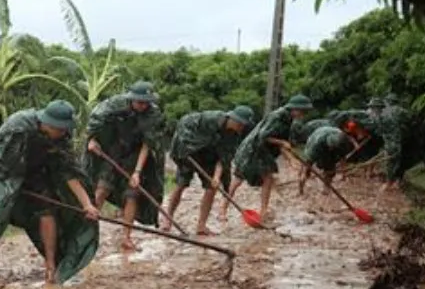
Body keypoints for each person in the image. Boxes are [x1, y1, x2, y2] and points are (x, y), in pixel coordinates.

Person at [0, 100, 101, 285]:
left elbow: (69, 172)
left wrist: (86, 204)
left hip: (36, 175)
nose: (65, 132)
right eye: (62, 128)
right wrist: (14, 184)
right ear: (50, 123)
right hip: (4, 176)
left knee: (47, 211)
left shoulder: (62, 138)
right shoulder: (18, 125)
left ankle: (51, 264)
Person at [82, 81, 165, 251]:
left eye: (146, 102)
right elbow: (94, 124)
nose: (143, 106)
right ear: (131, 99)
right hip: (112, 148)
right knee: (102, 189)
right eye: (139, 102)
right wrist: (92, 140)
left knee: (132, 194)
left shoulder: (153, 114)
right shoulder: (114, 105)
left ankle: (126, 237)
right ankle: (85, 234)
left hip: (135, 153)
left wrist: (137, 172)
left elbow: (147, 145)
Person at [163, 105, 254, 236]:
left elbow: (224, 158)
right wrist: (185, 144)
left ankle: (201, 225)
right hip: (190, 152)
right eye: (240, 124)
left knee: (211, 188)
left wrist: (216, 177)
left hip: (209, 158)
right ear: (232, 118)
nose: (241, 128)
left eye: (243, 125)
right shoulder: (211, 118)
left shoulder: (233, 136)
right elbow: (184, 122)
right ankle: (168, 219)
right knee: (181, 184)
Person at [224, 94, 314, 222]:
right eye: (302, 111)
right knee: (238, 179)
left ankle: (263, 211)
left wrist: (291, 160)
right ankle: (223, 210)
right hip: (252, 149)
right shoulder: (277, 116)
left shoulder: (289, 119)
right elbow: (263, 137)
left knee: (268, 178)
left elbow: (283, 142)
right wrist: (282, 143)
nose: (303, 115)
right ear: (294, 108)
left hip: (264, 151)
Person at [297, 122, 365, 195]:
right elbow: (308, 159)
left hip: (330, 141)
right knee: (306, 169)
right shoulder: (315, 145)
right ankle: (301, 189)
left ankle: (326, 187)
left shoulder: (341, 138)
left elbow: (343, 156)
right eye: (331, 148)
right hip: (316, 138)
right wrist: (307, 168)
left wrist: (344, 173)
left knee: (330, 170)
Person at [371, 95, 418, 191]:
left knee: (390, 162)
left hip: (392, 142)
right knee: (398, 161)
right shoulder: (400, 111)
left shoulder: (383, 114)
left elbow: (378, 130)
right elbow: (410, 119)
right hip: (402, 140)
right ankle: (397, 181)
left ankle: (389, 183)